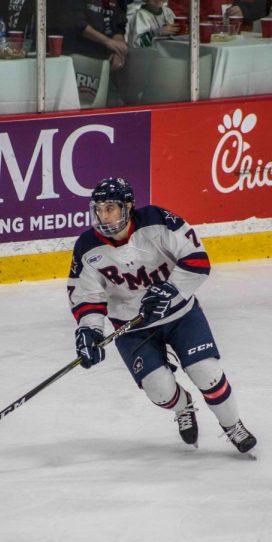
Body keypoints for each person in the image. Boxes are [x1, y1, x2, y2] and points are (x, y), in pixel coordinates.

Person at [67, 177, 258, 455]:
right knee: (159, 390)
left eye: (111, 208)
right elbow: (86, 296)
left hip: (180, 314)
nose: (103, 215)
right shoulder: (87, 247)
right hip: (132, 328)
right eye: (99, 209)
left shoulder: (158, 221)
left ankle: (232, 425)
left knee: (207, 372)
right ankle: (183, 406)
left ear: (128, 206)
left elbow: (197, 259)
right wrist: (90, 330)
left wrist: (171, 290)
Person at [64, 0, 129, 72]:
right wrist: (108, 41)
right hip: (78, 54)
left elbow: (119, 28)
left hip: (106, 60)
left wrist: (118, 51)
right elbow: (77, 23)